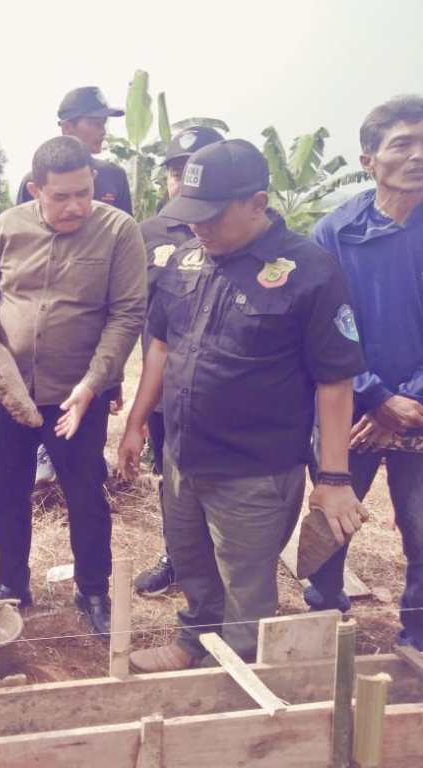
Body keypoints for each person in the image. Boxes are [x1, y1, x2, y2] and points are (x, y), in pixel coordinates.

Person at [118, 139, 367, 671]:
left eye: (211, 216)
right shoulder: (185, 259)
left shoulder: (308, 270)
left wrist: (335, 476)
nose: (198, 228)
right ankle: (194, 643)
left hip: (255, 469)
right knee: (192, 562)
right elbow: (161, 345)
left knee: (245, 581)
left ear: (257, 203)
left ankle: (237, 673)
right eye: (191, 215)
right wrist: (136, 422)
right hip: (184, 457)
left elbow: (335, 381)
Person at [0, 136, 147, 632]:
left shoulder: (118, 232)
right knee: (6, 490)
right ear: (35, 190)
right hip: (9, 393)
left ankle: (93, 591)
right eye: (61, 196)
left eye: (84, 193)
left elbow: (128, 313)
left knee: (84, 491)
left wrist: (94, 382)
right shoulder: (4, 229)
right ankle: (10, 584)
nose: (76, 207)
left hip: (77, 396)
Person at [305, 95, 423, 651]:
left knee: (421, 529)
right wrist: (374, 397)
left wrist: (407, 404)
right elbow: (323, 324)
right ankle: (323, 614)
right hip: (349, 412)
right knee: (333, 516)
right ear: (368, 159)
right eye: (403, 144)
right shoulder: (335, 232)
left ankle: (417, 636)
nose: (417, 156)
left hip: (418, 412)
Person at [15, 87, 131, 485]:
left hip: (92, 326)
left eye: (104, 123)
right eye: (94, 122)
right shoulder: (35, 177)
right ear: (67, 126)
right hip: (45, 343)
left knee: (86, 468)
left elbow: (123, 295)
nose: (102, 131)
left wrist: (110, 377)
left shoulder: (114, 176)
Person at [134, 126, 225, 597]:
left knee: (227, 479)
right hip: (166, 381)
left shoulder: (235, 225)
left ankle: (226, 562)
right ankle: (178, 556)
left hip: (226, 385)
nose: (180, 179)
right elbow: (133, 308)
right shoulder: (148, 232)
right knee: (171, 476)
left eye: (191, 170)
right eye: (173, 171)